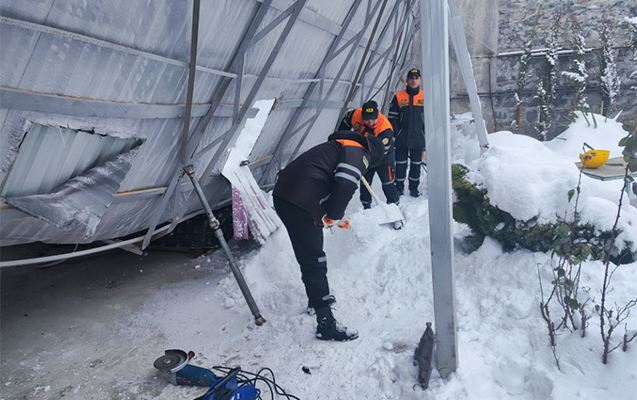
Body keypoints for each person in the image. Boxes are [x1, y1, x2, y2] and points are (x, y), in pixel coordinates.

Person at [273, 131, 385, 341]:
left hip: (286, 196)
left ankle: (316, 300)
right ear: (373, 156)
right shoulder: (359, 152)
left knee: (308, 255)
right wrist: (334, 214)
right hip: (301, 201)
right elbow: (345, 183)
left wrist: (327, 211)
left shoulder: (343, 145)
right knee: (315, 260)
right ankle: (326, 324)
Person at [338, 100, 400, 209]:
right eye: (366, 119)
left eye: (373, 119)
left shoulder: (385, 129)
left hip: (383, 159)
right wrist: (342, 139)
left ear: (378, 114)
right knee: (365, 185)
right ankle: (366, 208)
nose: (370, 122)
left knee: (388, 184)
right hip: (365, 157)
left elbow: (379, 153)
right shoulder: (355, 115)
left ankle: (394, 207)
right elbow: (345, 123)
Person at [388, 68, 425, 198]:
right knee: (400, 164)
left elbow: (430, 119)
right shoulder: (398, 97)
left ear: (420, 80)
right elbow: (392, 118)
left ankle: (414, 189)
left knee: (416, 165)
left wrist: (425, 134)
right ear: (407, 80)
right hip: (402, 138)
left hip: (418, 138)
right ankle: (399, 188)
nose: (413, 81)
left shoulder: (425, 97)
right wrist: (397, 133)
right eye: (411, 78)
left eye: (416, 78)